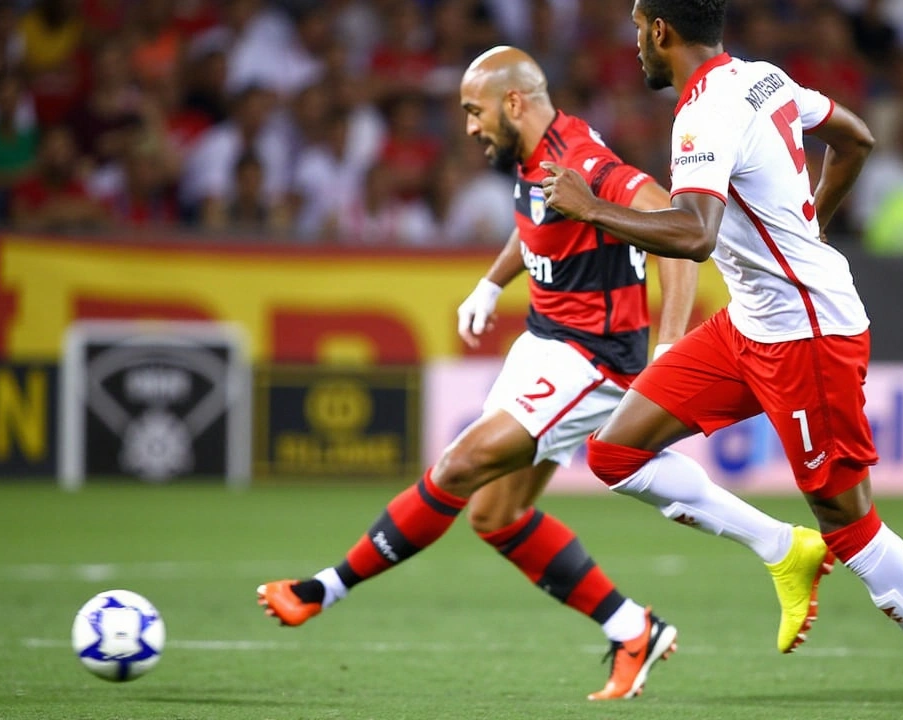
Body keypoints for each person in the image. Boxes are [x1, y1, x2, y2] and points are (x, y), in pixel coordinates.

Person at [539, 2, 903, 718]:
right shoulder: (761, 78)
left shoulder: (702, 114)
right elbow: (855, 138)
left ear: (660, 30)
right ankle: (780, 548)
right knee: (615, 454)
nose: (634, 42)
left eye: (638, 26)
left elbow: (696, 236)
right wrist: (806, 226)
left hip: (807, 336)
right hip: (751, 325)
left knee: (849, 524)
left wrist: (590, 208)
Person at [258, 46, 705, 701]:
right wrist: (491, 284)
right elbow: (536, 226)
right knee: (497, 515)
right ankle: (633, 628)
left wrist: (670, 346)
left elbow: (673, 220)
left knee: (459, 466)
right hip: (546, 340)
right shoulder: (532, 156)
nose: (468, 125)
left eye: (474, 110)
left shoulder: (580, 157)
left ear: (513, 103)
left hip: (592, 358)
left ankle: (323, 589)